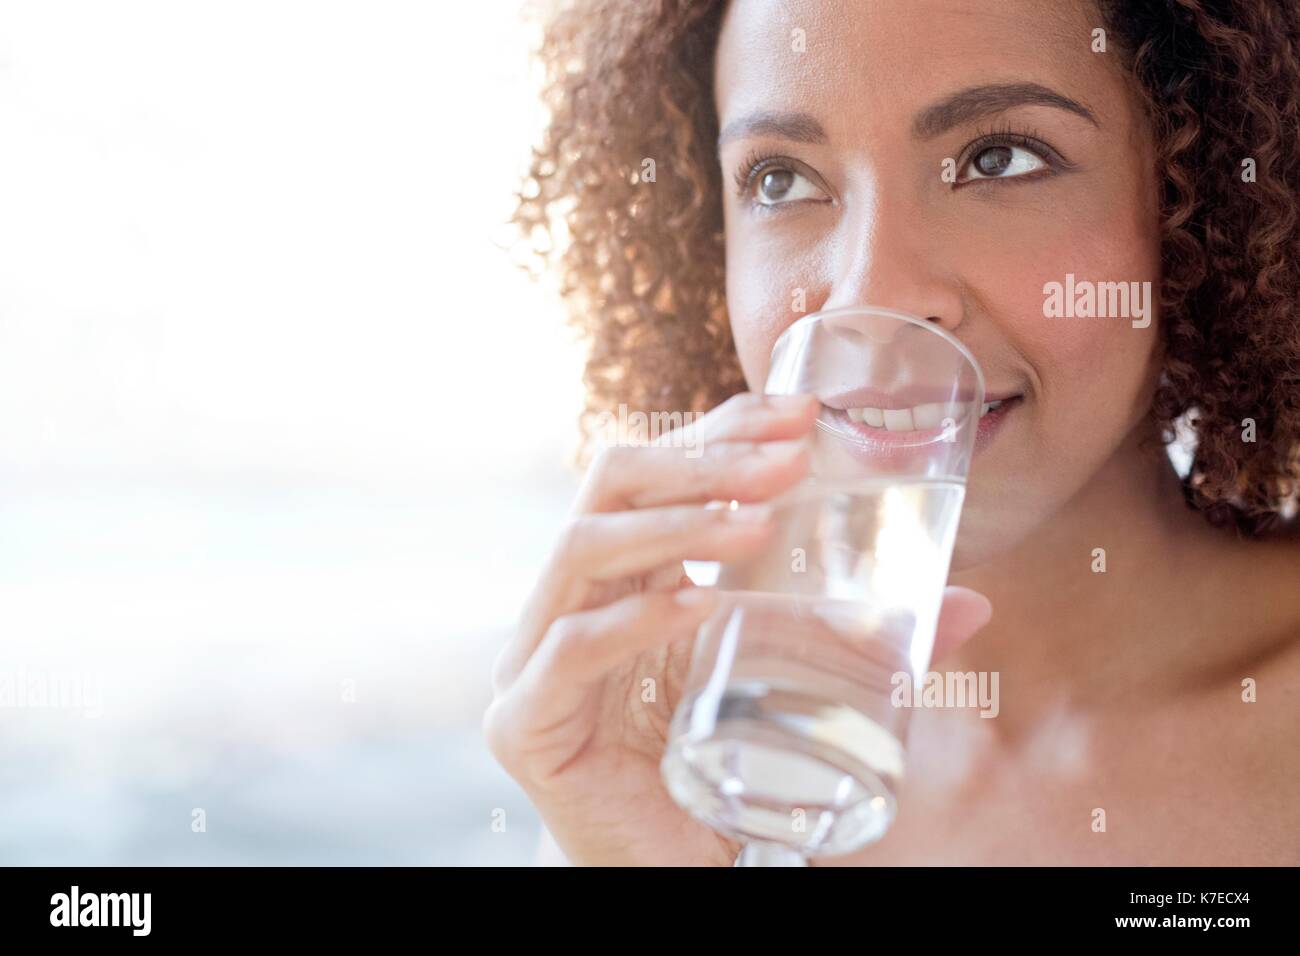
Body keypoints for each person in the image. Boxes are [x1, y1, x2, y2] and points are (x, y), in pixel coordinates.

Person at [485, 0, 1300, 865]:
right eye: (779, 179)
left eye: (999, 158)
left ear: (1197, 192)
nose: (869, 294)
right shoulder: (685, 758)